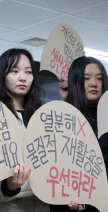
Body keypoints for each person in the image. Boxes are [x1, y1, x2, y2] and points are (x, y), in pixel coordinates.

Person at [0, 48, 49, 212]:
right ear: (1, 76)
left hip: (42, 206)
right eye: (14, 71)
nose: (23, 77)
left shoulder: (42, 119)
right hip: (7, 207)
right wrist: (8, 185)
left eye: (28, 72)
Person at [51, 56, 108, 212]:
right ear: (75, 82)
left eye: (99, 78)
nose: (94, 83)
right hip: (80, 204)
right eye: (86, 78)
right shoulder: (65, 120)